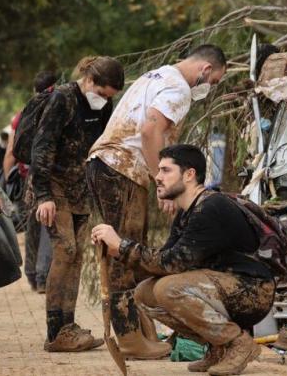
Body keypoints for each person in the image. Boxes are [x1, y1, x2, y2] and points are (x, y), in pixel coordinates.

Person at [86, 44, 227, 359]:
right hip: (121, 166)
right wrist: (161, 178)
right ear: (205, 70)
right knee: (123, 250)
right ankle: (130, 340)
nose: (211, 87)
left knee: (128, 247)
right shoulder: (178, 88)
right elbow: (151, 130)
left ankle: (141, 330)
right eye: (214, 81)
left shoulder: (158, 74)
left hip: (108, 164)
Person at [91, 144, 275, 375]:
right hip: (221, 287)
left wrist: (123, 245)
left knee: (168, 289)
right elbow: (162, 263)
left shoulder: (210, 208)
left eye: (166, 170)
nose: (157, 177)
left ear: (189, 174)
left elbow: (172, 264)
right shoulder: (187, 211)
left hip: (253, 290)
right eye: (158, 170)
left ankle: (238, 343)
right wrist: (117, 251)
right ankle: (217, 347)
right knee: (144, 294)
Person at [31, 57, 124, 352]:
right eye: (103, 93)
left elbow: (102, 146)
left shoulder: (103, 105)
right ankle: (54, 331)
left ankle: (69, 326)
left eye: (110, 97)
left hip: (81, 188)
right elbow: (42, 146)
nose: (104, 100)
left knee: (78, 256)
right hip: (54, 186)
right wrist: (43, 195)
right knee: (65, 250)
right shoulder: (63, 98)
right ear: (90, 81)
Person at [17, 71, 59, 293]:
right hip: (52, 176)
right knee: (48, 225)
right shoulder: (59, 107)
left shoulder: (27, 109)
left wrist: (6, 177)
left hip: (30, 179)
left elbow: (13, 152)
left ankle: (32, 275)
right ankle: (43, 276)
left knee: (33, 227)